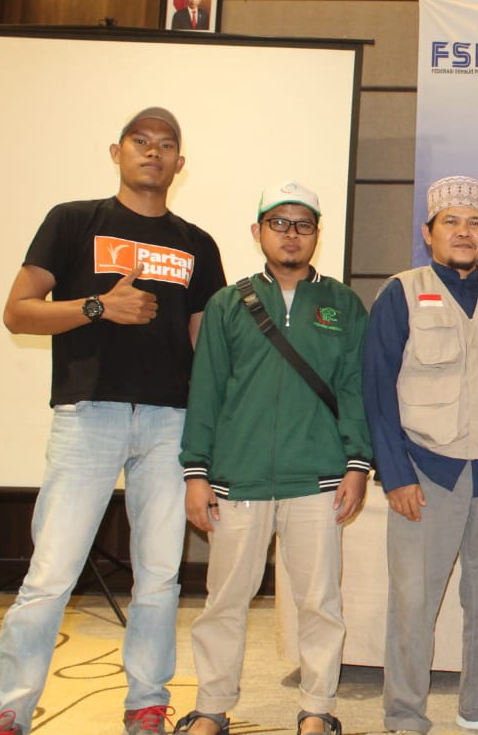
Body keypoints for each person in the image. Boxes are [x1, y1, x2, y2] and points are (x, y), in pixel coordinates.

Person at [0, 107, 225, 735]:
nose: (153, 152)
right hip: (88, 414)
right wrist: (99, 306)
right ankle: (8, 707)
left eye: (166, 145)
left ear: (179, 163)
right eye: (140, 141)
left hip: (171, 423)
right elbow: (17, 312)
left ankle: (146, 703)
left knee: (160, 576)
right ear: (116, 152)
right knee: (51, 573)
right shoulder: (72, 221)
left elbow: (206, 348)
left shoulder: (198, 244)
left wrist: (216, 434)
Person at [172, 181, 371, 735]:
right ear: (257, 231)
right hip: (239, 479)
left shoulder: (342, 304)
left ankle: (317, 708)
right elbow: (206, 391)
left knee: (320, 603)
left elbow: (354, 389)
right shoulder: (227, 304)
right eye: (278, 223)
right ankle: (211, 707)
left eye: (302, 224)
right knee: (224, 602)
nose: (290, 234)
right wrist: (196, 471)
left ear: (316, 235)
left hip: (319, 478)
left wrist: (357, 463)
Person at [363, 175, 478, 735]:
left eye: (474, 223)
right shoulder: (401, 292)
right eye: (451, 222)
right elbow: (376, 388)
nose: (463, 232)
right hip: (427, 472)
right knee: (413, 603)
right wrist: (395, 473)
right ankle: (404, 715)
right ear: (429, 232)